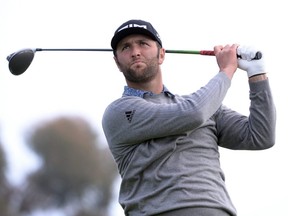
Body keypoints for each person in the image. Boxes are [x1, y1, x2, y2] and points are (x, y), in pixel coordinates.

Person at [102, 19, 276, 216]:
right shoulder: (119, 112)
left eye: (143, 43)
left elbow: (261, 136)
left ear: (161, 54)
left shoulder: (206, 106)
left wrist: (257, 73)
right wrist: (226, 70)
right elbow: (192, 114)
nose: (135, 52)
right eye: (126, 47)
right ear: (117, 62)